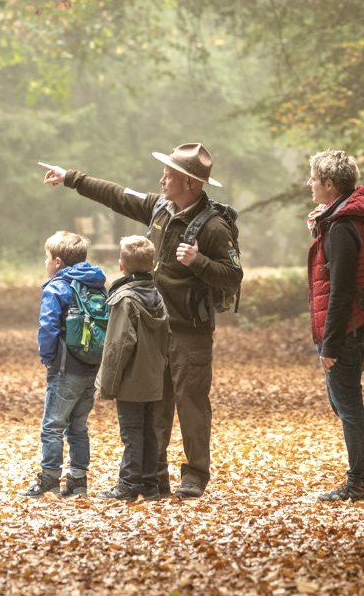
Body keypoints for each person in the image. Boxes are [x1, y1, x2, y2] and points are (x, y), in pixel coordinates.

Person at [39, 143, 242, 498]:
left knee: (191, 401)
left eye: (170, 175)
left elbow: (233, 275)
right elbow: (117, 195)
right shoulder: (160, 207)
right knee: (156, 401)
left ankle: (194, 476)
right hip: (155, 329)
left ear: (191, 184)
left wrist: (198, 262)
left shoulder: (214, 227)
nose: (162, 179)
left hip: (191, 331)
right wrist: (71, 178)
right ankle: (154, 475)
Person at [305, 150, 364, 502]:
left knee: (348, 405)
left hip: (346, 331)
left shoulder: (342, 228)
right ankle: (361, 479)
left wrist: (330, 346)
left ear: (329, 184)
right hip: (355, 326)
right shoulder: (344, 220)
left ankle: (362, 482)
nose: (309, 184)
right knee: (345, 404)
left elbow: (340, 292)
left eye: (314, 179)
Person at [24, 231, 108, 498]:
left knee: (53, 425)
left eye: (47, 258)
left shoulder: (56, 287)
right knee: (78, 426)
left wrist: (47, 358)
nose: (46, 263)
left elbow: (48, 326)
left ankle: (49, 477)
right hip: (91, 366)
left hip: (65, 367)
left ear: (58, 261)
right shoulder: (96, 285)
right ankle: (78, 480)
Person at [95, 236, 170, 502]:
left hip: (130, 381)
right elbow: (166, 338)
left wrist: (107, 385)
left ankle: (127, 485)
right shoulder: (158, 296)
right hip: (153, 377)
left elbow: (118, 346)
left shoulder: (124, 300)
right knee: (149, 430)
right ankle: (150, 484)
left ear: (121, 266)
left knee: (132, 433)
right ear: (152, 266)